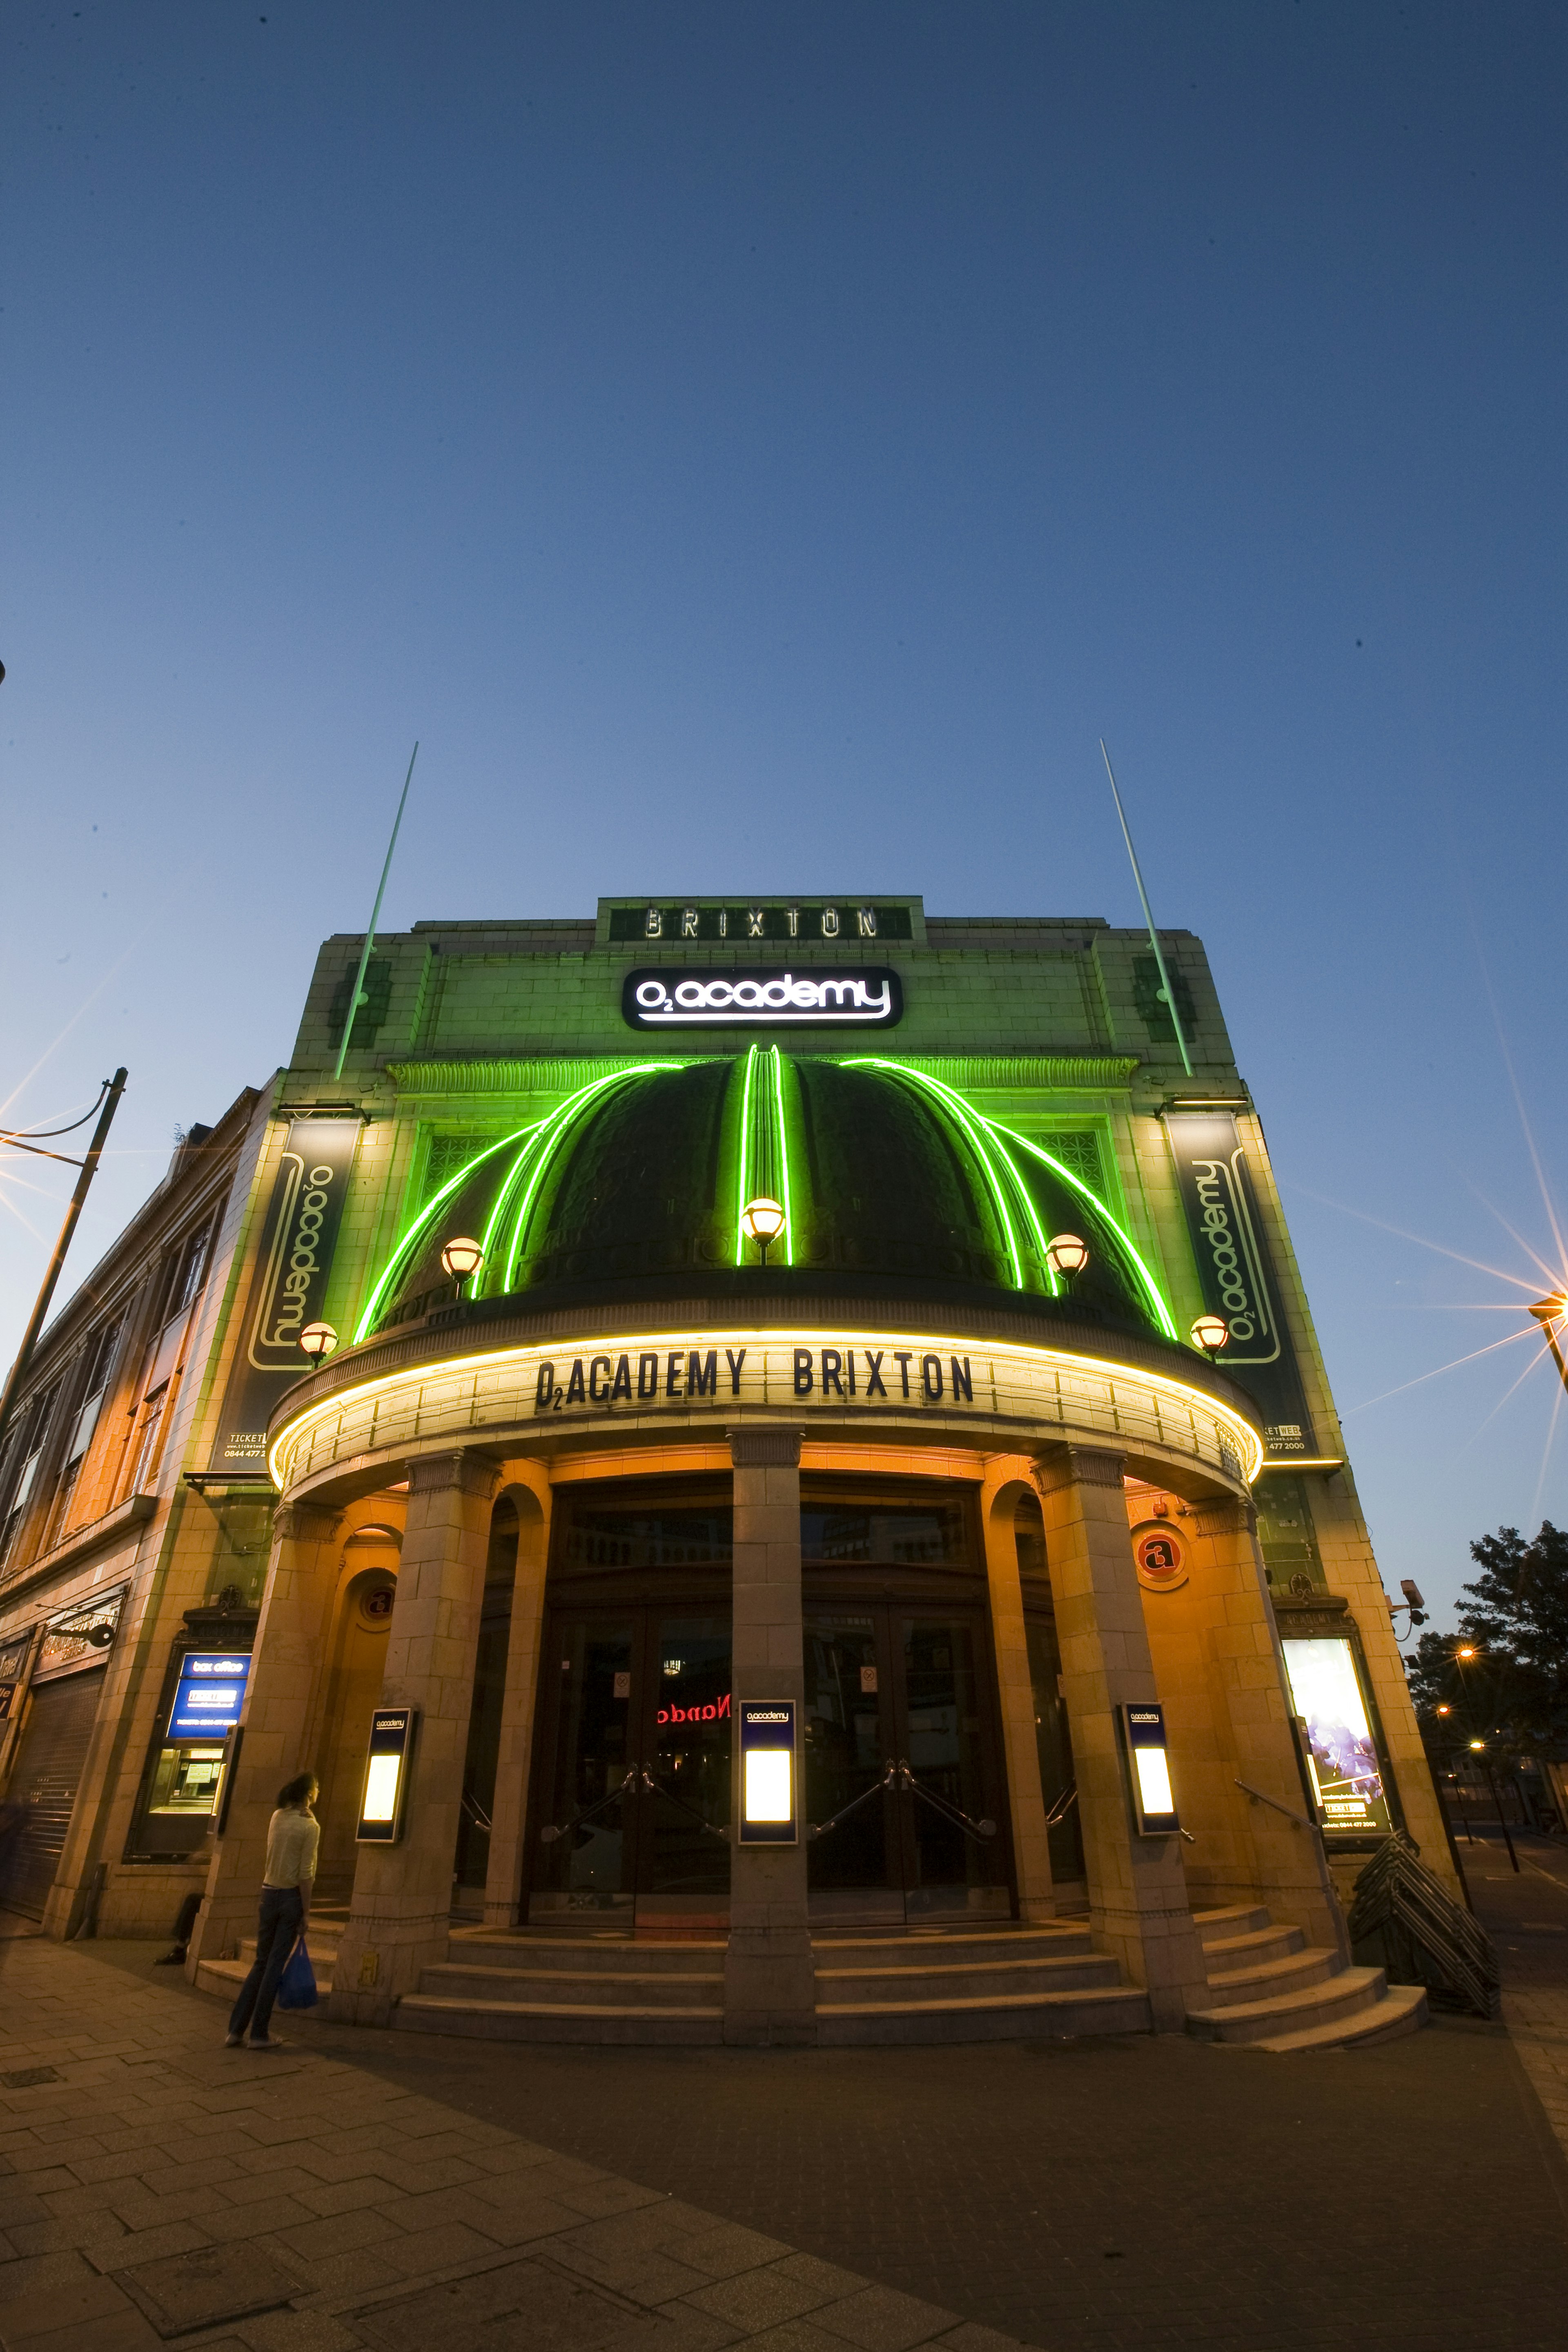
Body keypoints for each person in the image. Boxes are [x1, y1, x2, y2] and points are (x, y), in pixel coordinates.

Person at [225, 1771, 318, 2049]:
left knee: (261, 1963)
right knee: (275, 1965)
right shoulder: (310, 1827)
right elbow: (306, 1875)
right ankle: (259, 2034)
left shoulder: (277, 1817)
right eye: (317, 1789)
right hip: (290, 1898)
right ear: (310, 1794)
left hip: (267, 1894)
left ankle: (235, 2030)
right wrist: (306, 1912)